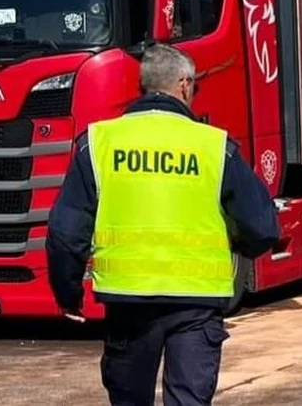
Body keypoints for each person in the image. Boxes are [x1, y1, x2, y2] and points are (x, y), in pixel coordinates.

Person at [46, 44, 280, 406]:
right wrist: (238, 244)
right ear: (184, 85)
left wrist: (68, 293)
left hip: (129, 302)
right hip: (197, 303)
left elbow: (64, 232)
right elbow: (263, 225)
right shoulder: (214, 146)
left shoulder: (98, 143)